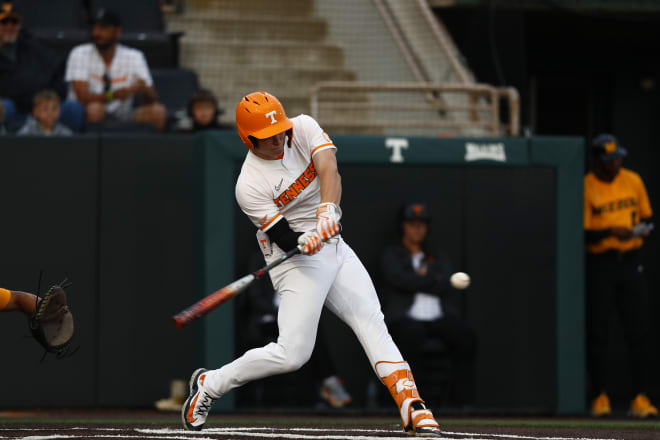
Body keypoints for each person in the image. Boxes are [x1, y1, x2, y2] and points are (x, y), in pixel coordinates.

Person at [181, 91, 443, 436]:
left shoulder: (302, 128)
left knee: (370, 320)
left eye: (280, 131)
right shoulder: (249, 184)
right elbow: (283, 237)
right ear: (248, 138)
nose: (277, 140)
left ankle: (412, 403)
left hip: (332, 244)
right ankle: (211, 384)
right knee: (292, 354)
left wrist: (327, 212)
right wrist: (301, 240)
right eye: (267, 137)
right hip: (295, 261)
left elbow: (329, 170)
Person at [584, 133, 657, 418]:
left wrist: (638, 229)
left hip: (630, 260)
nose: (615, 164)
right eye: (609, 160)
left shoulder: (633, 180)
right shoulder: (587, 186)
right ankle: (599, 396)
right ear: (598, 162)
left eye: (618, 159)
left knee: (638, 331)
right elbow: (583, 232)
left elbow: (648, 218)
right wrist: (610, 232)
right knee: (599, 332)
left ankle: (640, 397)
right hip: (601, 261)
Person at [380, 203, 477, 408]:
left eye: (422, 224)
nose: (418, 229)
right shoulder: (392, 254)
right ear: (403, 226)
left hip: (437, 317)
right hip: (405, 318)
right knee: (409, 337)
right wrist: (430, 279)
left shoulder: (436, 255)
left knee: (466, 338)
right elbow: (399, 279)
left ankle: (459, 403)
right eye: (412, 224)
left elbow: (446, 284)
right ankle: (412, 403)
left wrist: (421, 279)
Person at [242, 251, 352, 408]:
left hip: (294, 319)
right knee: (305, 331)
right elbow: (256, 299)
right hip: (269, 320)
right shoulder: (259, 259)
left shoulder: (300, 259)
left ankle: (311, 397)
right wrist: (284, 312)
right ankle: (327, 381)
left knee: (308, 330)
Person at [64, 9, 167, 132]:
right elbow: (82, 98)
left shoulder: (134, 56)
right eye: (94, 27)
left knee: (158, 112)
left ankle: (153, 150)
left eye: (103, 28)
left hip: (123, 114)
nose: (96, 32)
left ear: (118, 31)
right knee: (96, 109)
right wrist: (113, 95)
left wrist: (144, 90)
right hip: (85, 113)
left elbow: (153, 99)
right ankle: (91, 149)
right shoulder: (80, 53)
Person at [0, 1, 84, 132]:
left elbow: (57, 69)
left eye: (14, 22)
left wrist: (48, 99)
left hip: (43, 106)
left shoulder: (32, 45)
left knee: (73, 109)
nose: (9, 27)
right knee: (4, 106)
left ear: (20, 25)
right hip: (15, 109)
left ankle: (75, 149)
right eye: (4, 22)